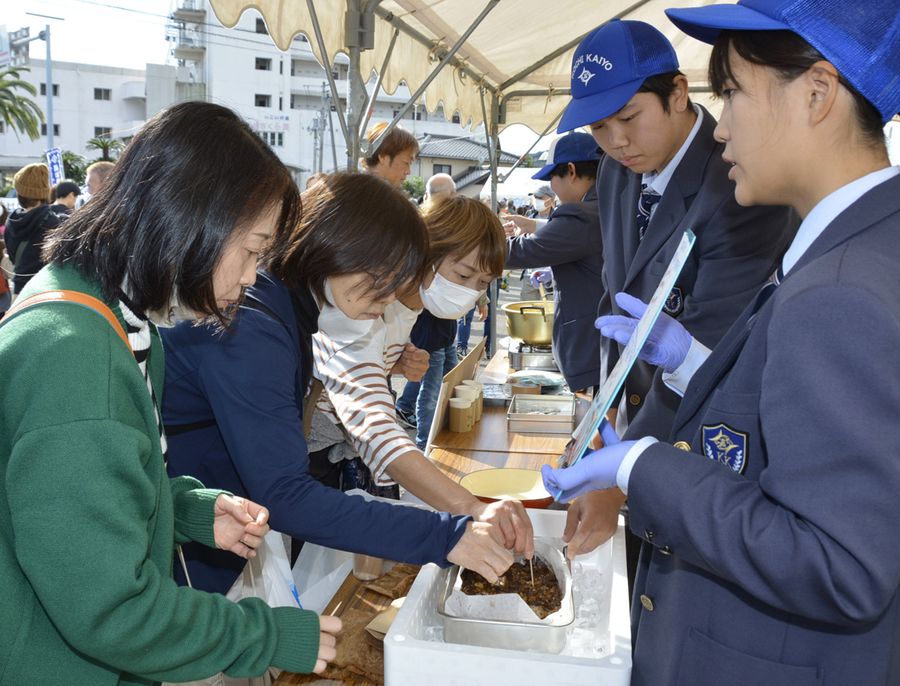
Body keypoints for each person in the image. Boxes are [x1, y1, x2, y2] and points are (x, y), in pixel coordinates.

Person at [544, 2, 900, 683]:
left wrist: (641, 468)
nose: (724, 126)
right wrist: (696, 368)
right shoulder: (864, 243)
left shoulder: (840, 291)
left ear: (818, 93)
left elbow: (841, 565)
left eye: (733, 91)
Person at [0, 102, 341, 684]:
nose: (254, 276)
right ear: (189, 219)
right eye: (253, 250)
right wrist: (266, 635)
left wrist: (189, 509)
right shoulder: (77, 360)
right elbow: (112, 610)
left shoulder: (118, 318)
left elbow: (86, 497)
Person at [162, 172, 515, 597]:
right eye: (384, 281)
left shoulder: (288, 311)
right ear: (338, 248)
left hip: (217, 522)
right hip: (185, 545)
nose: (389, 300)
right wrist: (447, 533)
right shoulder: (254, 326)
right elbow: (288, 495)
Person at [554, 18, 798, 568]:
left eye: (629, 118)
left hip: (695, 438)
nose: (616, 141)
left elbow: (708, 349)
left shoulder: (739, 185)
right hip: (630, 419)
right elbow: (613, 298)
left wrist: (624, 468)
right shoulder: (618, 171)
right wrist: (601, 416)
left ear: (678, 93)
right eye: (598, 128)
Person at [312, 194, 530, 548]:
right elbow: (374, 425)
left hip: (343, 448)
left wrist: (393, 360)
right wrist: (469, 507)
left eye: (481, 283)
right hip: (312, 454)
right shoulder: (364, 306)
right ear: (426, 250)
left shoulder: (410, 303)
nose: (469, 292)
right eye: (463, 274)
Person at [505, 131, 604, 391]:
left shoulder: (581, 214)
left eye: (552, 178)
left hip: (590, 350)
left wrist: (468, 240)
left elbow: (519, 252)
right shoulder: (605, 205)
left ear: (571, 171)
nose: (552, 188)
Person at [4, 163, 63, 294]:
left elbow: (13, 258)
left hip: (19, 291)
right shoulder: (53, 222)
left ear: (20, 193)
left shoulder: (11, 220)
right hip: (44, 290)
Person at [361, 121, 418, 187]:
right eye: (406, 162)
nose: (408, 172)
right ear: (383, 157)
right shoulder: (367, 194)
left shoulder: (355, 189)